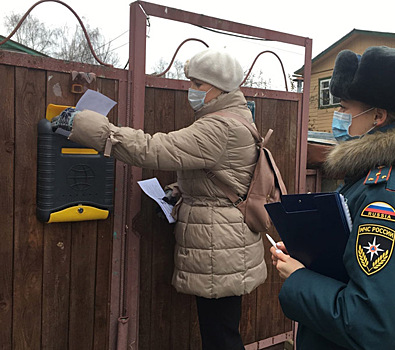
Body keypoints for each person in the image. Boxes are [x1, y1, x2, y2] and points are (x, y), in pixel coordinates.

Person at [51, 48, 267, 350]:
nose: (191, 90)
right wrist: (179, 190)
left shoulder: (221, 127)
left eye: (198, 84)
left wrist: (85, 125)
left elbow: (153, 149)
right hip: (226, 242)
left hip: (222, 247)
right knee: (220, 330)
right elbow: (219, 175)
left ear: (218, 86)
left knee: (220, 336)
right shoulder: (233, 118)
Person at [270, 46, 395, 349]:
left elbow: (375, 324)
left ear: (378, 116)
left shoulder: (387, 197)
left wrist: (298, 278)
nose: (339, 116)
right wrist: (307, 253)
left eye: (344, 107)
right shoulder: (382, 179)